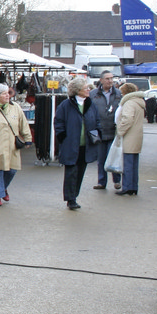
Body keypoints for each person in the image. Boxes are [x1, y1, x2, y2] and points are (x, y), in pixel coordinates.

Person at [53, 77, 100, 210]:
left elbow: (97, 121)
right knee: (71, 173)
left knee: (80, 173)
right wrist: (62, 137)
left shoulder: (91, 105)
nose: (88, 90)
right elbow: (58, 122)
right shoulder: (65, 105)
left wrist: (97, 134)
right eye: (85, 88)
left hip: (86, 146)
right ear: (77, 90)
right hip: (71, 145)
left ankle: (74, 196)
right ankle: (71, 199)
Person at [89, 71, 122, 191]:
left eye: (111, 78)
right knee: (101, 158)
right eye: (107, 79)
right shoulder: (93, 94)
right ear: (101, 80)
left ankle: (117, 181)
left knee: (113, 156)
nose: (110, 81)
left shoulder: (118, 93)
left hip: (113, 130)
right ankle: (101, 182)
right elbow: (89, 111)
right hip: (99, 131)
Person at [115, 83, 145, 196]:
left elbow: (127, 119)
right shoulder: (139, 102)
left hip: (129, 136)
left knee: (127, 164)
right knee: (134, 164)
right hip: (137, 135)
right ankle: (133, 186)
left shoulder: (129, 103)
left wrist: (120, 130)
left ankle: (127, 187)